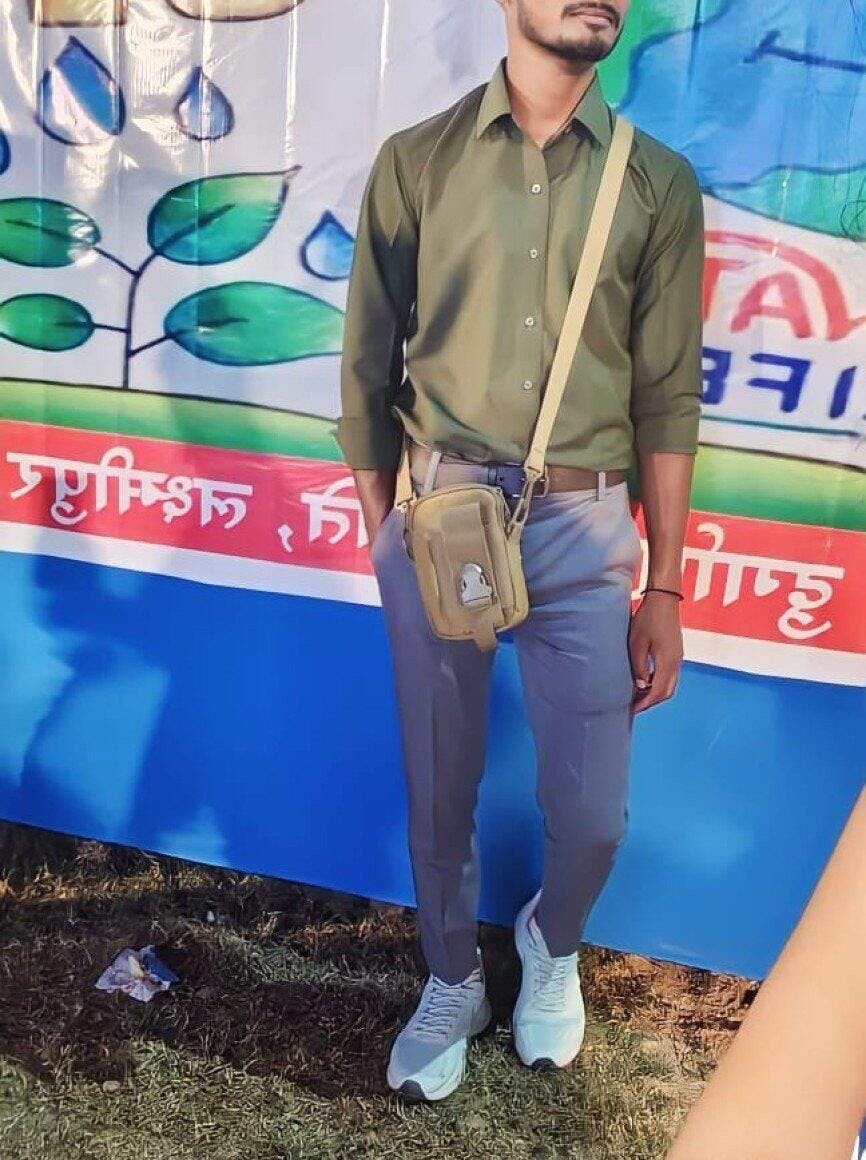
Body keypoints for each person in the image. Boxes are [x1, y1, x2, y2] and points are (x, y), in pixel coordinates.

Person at [336, 0, 705, 1102]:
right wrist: (385, 526)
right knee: (437, 785)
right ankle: (451, 976)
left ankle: (551, 942)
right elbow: (365, 364)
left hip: (583, 532)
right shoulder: (418, 161)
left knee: (592, 816)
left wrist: (665, 584)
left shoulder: (657, 183)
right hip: (439, 520)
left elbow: (666, 397)